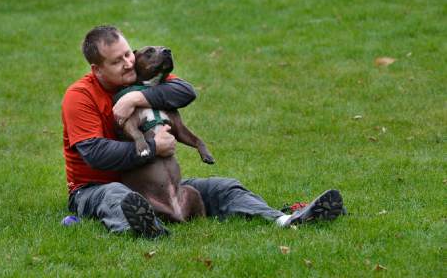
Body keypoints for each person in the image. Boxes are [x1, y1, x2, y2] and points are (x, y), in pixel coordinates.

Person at [62, 25, 344, 238]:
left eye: (127, 53)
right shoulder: (80, 96)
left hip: (152, 184)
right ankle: (151, 230)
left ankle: (283, 219)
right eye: (116, 61)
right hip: (93, 188)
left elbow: (184, 91)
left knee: (223, 186)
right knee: (116, 196)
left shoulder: (139, 77)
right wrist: (151, 146)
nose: (127, 63)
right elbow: (95, 154)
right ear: (97, 69)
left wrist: (135, 98)